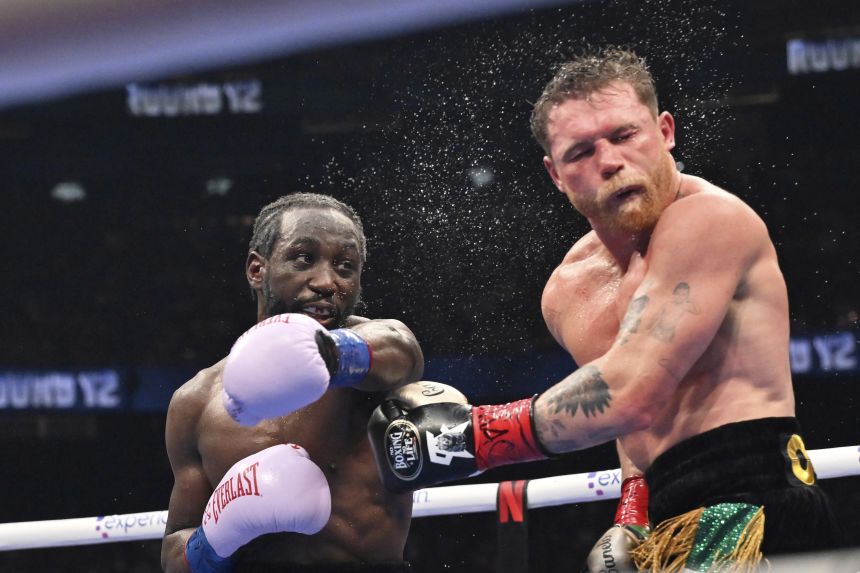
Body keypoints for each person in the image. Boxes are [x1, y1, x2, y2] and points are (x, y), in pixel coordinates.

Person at [368, 48, 844, 571]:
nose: (610, 161)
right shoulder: (568, 289)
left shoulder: (708, 221)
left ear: (665, 131)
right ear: (555, 173)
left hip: (755, 505)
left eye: (624, 135)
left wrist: (470, 437)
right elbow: (633, 430)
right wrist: (633, 513)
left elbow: (628, 392)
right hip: (666, 519)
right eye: (581, 152)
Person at [161, 193, 426, 573]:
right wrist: (218, 536)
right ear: (257, 269)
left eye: (345, 266)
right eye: (305, 258)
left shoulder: (369, 357)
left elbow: (403, 352)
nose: (327, 282)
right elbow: (174, 555)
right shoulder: (196, 401)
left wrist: (324, 356)